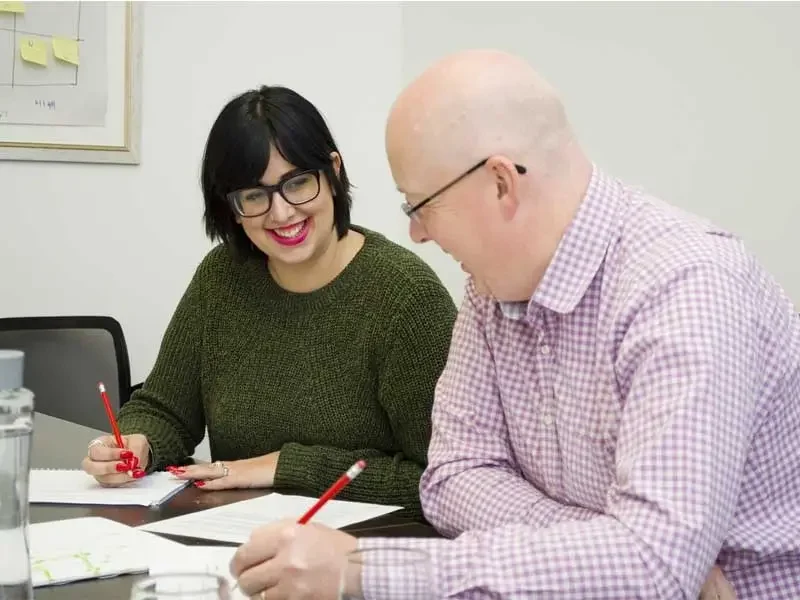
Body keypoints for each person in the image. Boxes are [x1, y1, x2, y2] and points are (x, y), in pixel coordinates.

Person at [228, 50, 800, 599]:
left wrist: (363, 570)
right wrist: (607, 546)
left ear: (501, 182)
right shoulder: (491, 290)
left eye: (418, 205)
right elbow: (451, 480)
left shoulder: (686, 287)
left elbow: (650, 570)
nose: (418, 234)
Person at [80, 85, 457, 518]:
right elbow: (164, 409)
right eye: (254, 195)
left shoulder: (406, 297)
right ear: (232, 207)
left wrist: (286, 467)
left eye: (297, 183)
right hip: (233, 541)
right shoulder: (221, 277)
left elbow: (446, 478)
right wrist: (136, 443)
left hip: (363, 555)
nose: (281, 214)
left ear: (332, 172)